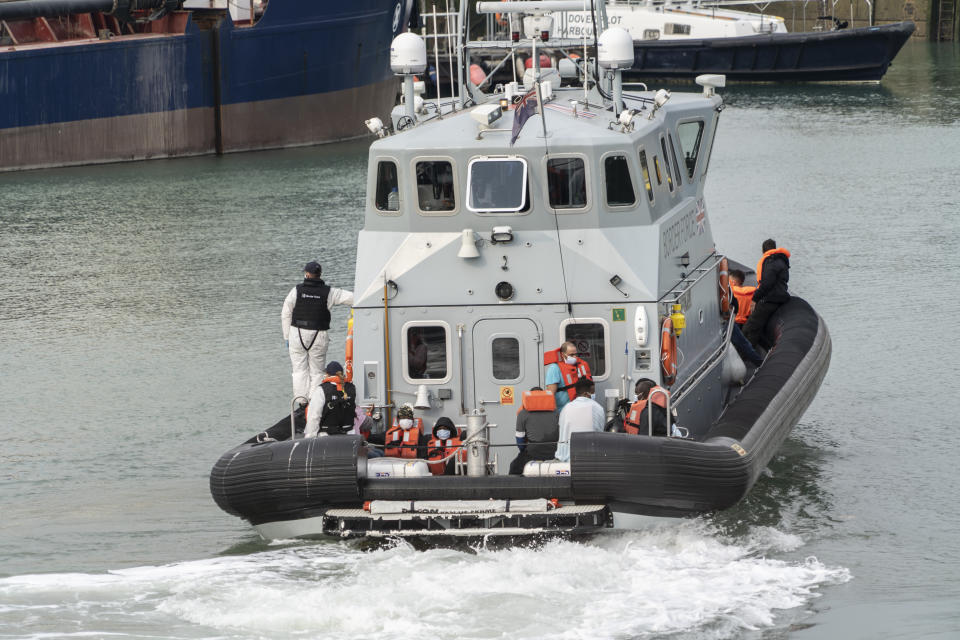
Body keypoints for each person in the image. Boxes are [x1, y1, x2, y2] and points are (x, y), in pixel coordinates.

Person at [281, 261, 354, 406]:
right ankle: (315, 402)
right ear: (320, 274)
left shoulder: (296, 291)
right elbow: (353, 297)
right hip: (318, 335)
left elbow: (286, 313)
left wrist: (287, 336)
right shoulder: (330, 292)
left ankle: (301, 402)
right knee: (317, 372)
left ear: (307, 274)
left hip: (297, 334)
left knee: (299, 370)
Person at [743, 239, 791, 349]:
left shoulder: (771, 263)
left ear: (763, 250)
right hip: (779, 297)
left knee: (749, 327)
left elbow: (766, 284)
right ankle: (753, 351)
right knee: (756, 327)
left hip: (770, 299)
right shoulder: (782, 261)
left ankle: (747, 354)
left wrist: (755, 298)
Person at [509, 387, 560, 475]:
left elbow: (520, 441)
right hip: (554, 452)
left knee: (514, 467)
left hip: (533, 453)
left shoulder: (522, 414)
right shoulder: (556, 412)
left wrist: (524, 451)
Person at [555, 377, 604, 462]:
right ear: (586, 393)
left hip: (565, 459)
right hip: (590, 459)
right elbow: (600, 432)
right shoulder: (597, 408)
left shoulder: (566, 408)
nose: (594, 394)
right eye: (593, 391)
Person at [304, 361, 357, 438]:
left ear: (327, 374)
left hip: (326, 437)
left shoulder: (321, 389)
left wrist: (310, 437)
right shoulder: (352, 388)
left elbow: (314, 416)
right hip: (349, 436)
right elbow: (355, 410)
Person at [727, 269, 764, 367]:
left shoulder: (731, 291)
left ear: (733, 282)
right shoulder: (752, 293)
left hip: (732, 321)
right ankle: (759, 363)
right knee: (744, 344)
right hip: (744, 322)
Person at [545, 341, 591, 412]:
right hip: (562, 411)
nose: (575, 357)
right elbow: (550, 394)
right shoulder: (554, 368)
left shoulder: (581, 366)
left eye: (576, 354)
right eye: (571, 355)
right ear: (563, 355)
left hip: (581, 410)